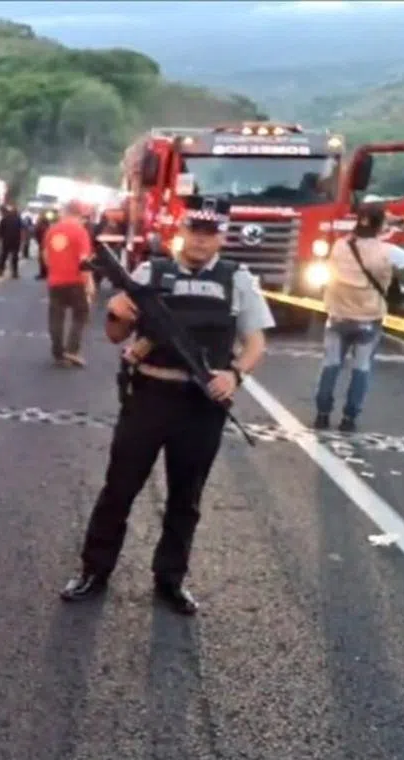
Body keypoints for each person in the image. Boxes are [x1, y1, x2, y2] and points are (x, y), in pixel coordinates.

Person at [60, 195, 275, 615]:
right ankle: (94, 570)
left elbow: (256, 343)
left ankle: (170, 578)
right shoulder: (150, 272)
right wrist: (118, 313)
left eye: (210, 233)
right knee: (119, 489)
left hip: (201, 406)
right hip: (150, 396)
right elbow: (116, 335)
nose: (200, 240)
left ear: (221, 237)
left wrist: (234, 375)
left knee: (186, 497)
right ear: (182, 231)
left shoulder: (238, 280)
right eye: (194, 230)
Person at [312, 201, 404, 432]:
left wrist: (384, 220)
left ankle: (322, 415)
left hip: (338, 317)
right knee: (361, 368)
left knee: (331, 365)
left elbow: (367, 225)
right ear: (380, 225)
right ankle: (349, 418)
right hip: (369, 320)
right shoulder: (388, 252)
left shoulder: (339, 246)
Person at [43, 201, 95, 367]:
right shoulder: (81, 232)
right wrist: (89, 283)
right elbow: (84, 261)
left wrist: (54, 269)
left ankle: (58, 353)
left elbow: (45, 254)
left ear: (65, 212)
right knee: (80, 314)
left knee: (56, 316)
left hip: (55, 280)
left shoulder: (52, 230)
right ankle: (72, 350)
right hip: (75, 280)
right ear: (79, 214)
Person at [0, 202, 23, 278]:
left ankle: (1, 270)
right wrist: (22, 240)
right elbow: (21, 230)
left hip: (6, 240)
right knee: (14, 257)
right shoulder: (18, 219)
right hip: (16, 240)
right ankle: (14, 272)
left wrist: (0, 239)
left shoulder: (4, 219)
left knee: (4, 255)